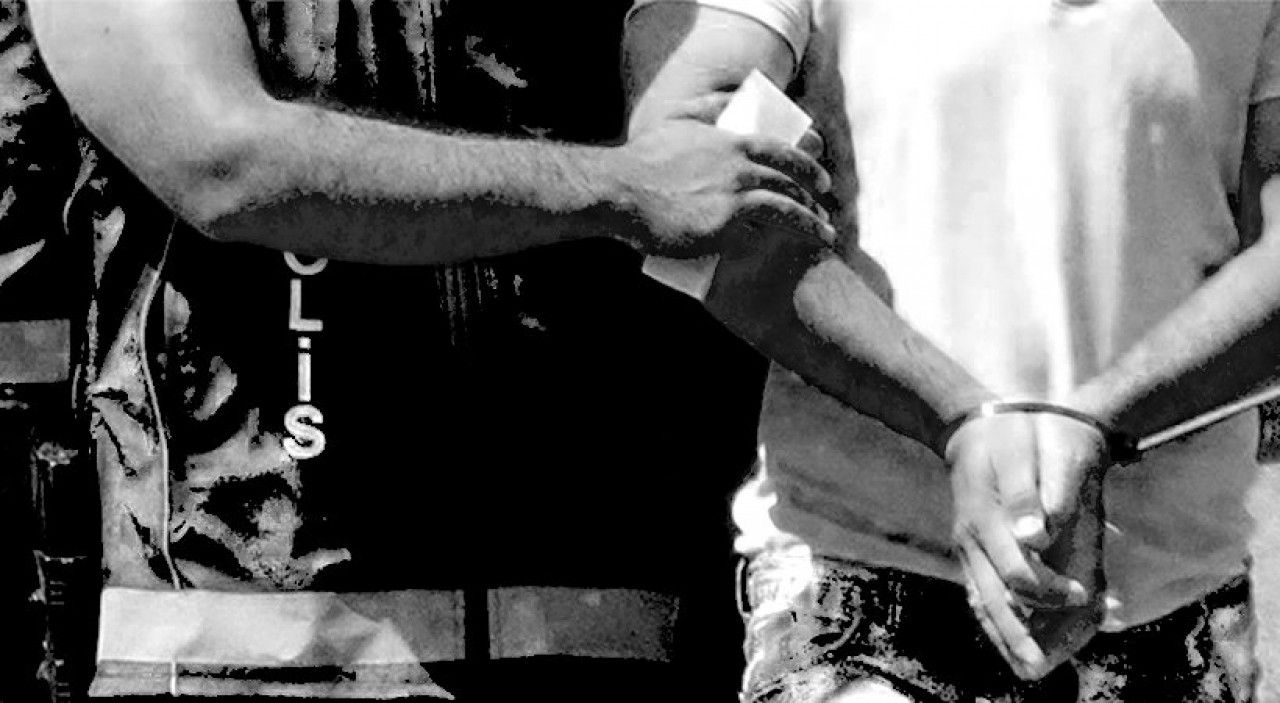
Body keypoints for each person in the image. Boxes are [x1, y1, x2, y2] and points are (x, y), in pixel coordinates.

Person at [16, 0, 834, 699]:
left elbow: (732, 186)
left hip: (615, 641)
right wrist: (619, 189)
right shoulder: (623, 186)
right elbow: (221, 162)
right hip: (250, 661)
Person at [625, 1, 1280, 700]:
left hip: (1170, 597)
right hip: (866, 575)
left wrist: (1096, 420)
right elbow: (687, 188)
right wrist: (957, 413)